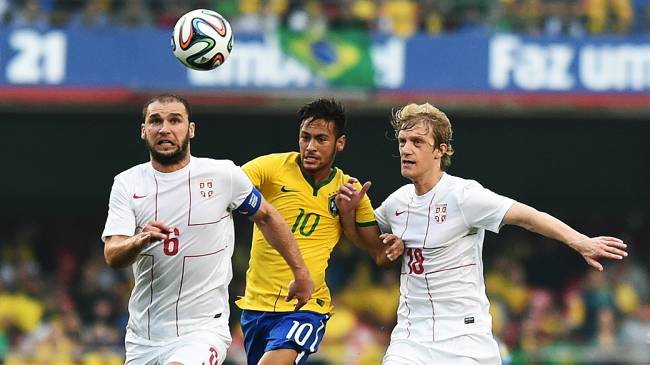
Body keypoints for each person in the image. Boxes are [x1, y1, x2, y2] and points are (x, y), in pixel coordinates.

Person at [337, 102, 629, 365]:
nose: (406, 149)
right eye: (402, 142)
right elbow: (372, 244)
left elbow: (528, 217)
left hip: (465, 339)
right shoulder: (397, 203)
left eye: (417, 142)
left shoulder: (464, 196)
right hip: (411, 338)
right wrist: (349, 215)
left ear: (440, 150)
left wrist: (580, 241)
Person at [101, 94, 314, 365]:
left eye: (175, 120)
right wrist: (139, 240)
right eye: (155, 121)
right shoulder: (127, 184)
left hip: (201, 332)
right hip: (143, 338)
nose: (164, 128)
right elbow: (112, 254)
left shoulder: (222, 175)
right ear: (144, 131)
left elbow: (268, 217)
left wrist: (301, 272)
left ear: (191, 129)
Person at [235, 98, 404, 365]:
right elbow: (228, 186)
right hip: (256, 306)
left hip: (307, 308)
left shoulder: (350, 190)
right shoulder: (270, 169)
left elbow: (380, 256)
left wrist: (349, 216)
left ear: (340, 143)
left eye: (321, 139)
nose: (311, 146)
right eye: (305, 137)